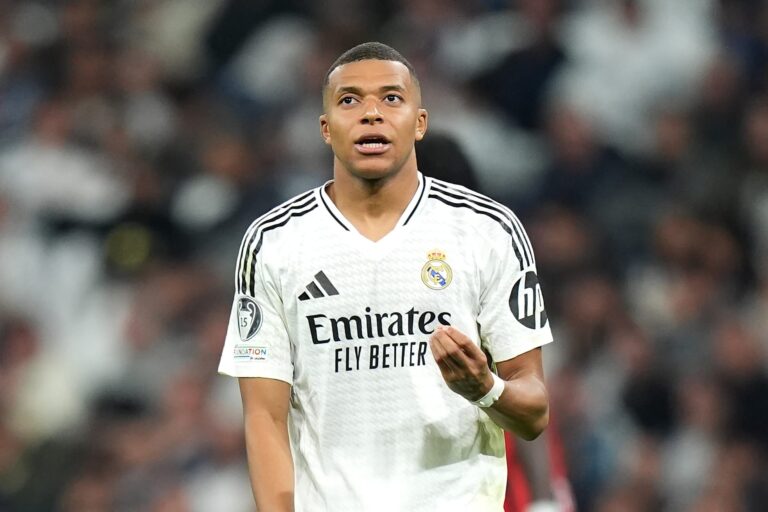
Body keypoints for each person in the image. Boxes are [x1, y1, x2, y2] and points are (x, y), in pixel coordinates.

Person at [218, 42, 554, 511]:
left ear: (420, 123)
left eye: (391, 98)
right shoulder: (274, 243)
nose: (371, 113)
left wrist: (485, 389)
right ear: (325, 128)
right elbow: (264, 419)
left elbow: (535, 413)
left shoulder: (487, 230)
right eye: (349, 100)